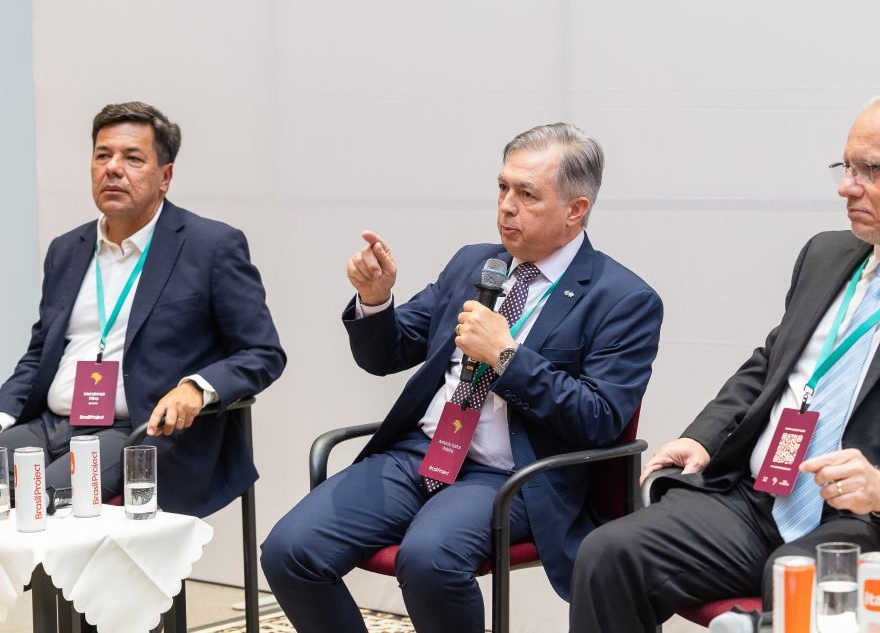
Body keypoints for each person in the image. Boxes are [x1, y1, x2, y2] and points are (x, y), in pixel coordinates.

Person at [569, 91, 880, 632]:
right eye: (846, 167)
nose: (847, 187)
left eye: (872, 170)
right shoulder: (827, 254)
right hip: (760, 498)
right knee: (609, 552)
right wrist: (705, 437)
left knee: (793, 579)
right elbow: (770, 365)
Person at [261, 122, 663, 632]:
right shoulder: (475, 264)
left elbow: (599, 419)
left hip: (510, 475)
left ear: (575, 209)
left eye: (527, 194)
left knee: (428, 561)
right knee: (289, 550)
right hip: (421, 452)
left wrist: (506, 357)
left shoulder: (621, 298)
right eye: (502, 187)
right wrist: (376, 301)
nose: (506, 206)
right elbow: (388, 353)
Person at [0, 102, 286, 517]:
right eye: (103, 155)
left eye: (133, 158)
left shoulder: (210, 246)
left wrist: (196, 388)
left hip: (139, 432)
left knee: (41, 501)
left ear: (165, 176)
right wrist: (4, 412)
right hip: (50, 424)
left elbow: (263, 352)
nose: (113, 168)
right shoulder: (67, 250)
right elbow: (39, 354)